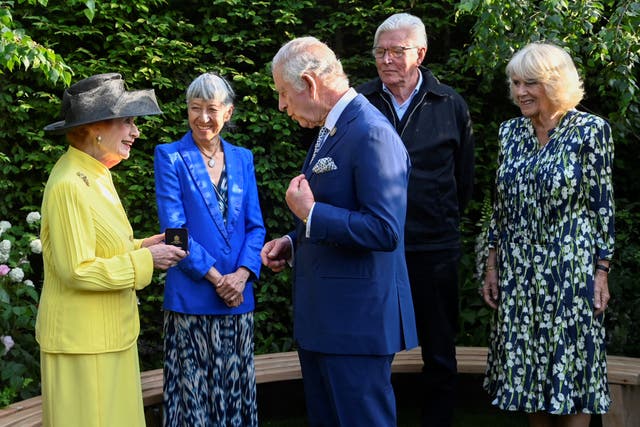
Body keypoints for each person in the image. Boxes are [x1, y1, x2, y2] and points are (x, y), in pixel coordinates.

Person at [261, 36, 418, 427]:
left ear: (310, 84)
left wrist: (312, 215)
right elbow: (339, 209)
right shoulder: (332, 129)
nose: (281, 105)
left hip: (356, 325)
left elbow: (384, 230)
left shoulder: (371, 132)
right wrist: (293, 241)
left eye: (283, 93)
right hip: (327, 324)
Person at [36, 73, 187, 427]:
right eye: (128, 122)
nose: (136, 132)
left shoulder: (96, 174)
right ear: (95, 128)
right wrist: (146, 260)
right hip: (83, 346)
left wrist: (143, 245)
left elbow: (102, 248)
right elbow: (77, 269)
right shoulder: (68, 183)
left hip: (107, 339)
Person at [480, 42, 614, 427]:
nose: (520, 91)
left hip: (570, 271)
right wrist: (491, 265)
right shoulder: (510, 133)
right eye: (516, 82)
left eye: (531, 83)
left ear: (555, 83)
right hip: (520, 273)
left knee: (571, 374)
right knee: (528, 377)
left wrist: (601, 271)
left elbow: (601, 207)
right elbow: (499, 206)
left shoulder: (591, 131)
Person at [356, 13, 475, 427]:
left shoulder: (450, 103)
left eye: (396, 51)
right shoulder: (359, 102)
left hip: (434, 246)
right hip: (372, 246)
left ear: (420, 53)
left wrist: (436, 218)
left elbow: (464, 180)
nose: (386, 59)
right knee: (371, 344)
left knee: (439, 348)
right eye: (380, 51)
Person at [154, 72, 266, 427]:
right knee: (192, 404)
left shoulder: (244, 158)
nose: (203, 117)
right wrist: (220, 280)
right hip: (190, 301)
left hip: (238, 301)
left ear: (228, 113)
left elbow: (256, 226)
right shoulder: (169, 156)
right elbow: (174, 233)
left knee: (235, 396)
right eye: (195, 108)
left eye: (212, 109)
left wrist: (242, 275)